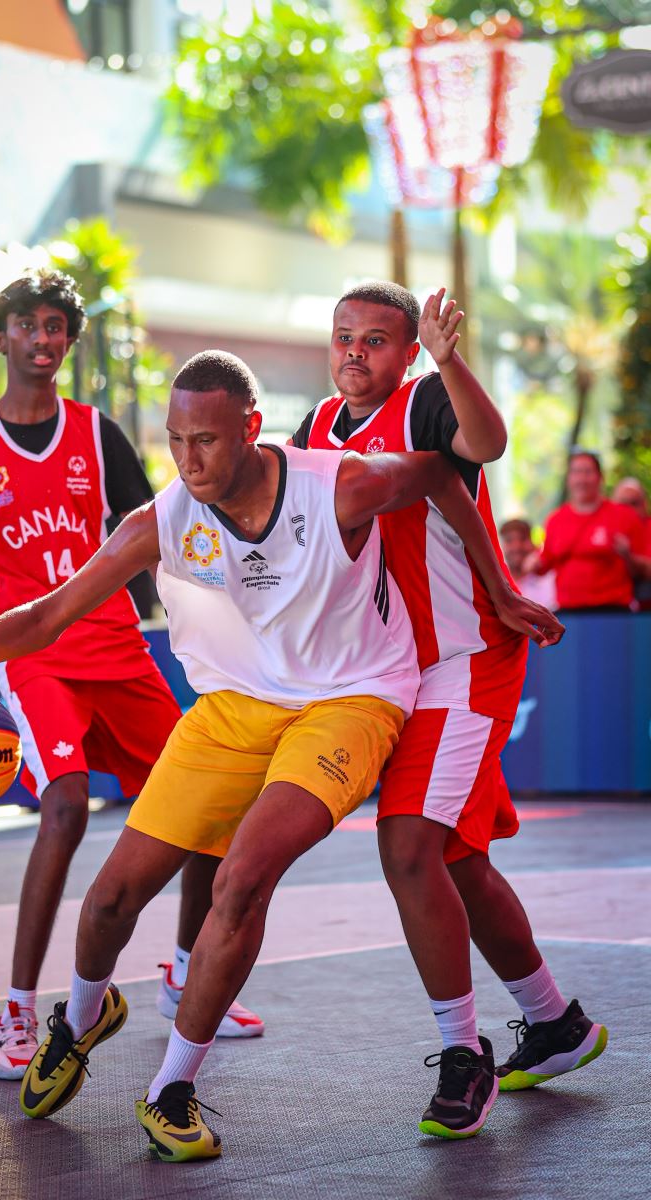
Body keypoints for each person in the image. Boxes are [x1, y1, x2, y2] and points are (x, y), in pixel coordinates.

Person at [0, 350, 562, 1160]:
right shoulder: (166, 517)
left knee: (243, 878)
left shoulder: (337, 484)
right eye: (175, 441)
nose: (188, 460)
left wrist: (498, 586)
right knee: (109, 902)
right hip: (234, 709)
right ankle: (82, 1016)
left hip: (351, 702)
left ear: (251, 428)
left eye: (204, 439)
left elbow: (444, 475)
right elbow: (46, 616)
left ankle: (171, 1087)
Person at [0, 275, 263, 1086]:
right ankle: (20, 1008)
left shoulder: (100, 437)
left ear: (68, 340)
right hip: (34, 655)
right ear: (0, 337)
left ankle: (178, 970)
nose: (41, 338)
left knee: (211, 806)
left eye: (55, 326)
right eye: (26, 324)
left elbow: (172, 526)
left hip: (119, 648)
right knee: (63, 807)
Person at [291, 283, 606, 1138]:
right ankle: (554, 1023)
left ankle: (463, 1057)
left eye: (378, 341)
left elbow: (490, 444)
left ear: (404, 351)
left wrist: (446, 356)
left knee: (407, 848)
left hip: (466, 660)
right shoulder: (315, 430)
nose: (358, 353)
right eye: (344, 337)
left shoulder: (426, 399)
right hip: (396, 673)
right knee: (457, 859)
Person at [535, 450, 646, 612]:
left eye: (587, 472)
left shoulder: (624, 516)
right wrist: (533, 563)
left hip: (613, 611)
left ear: (600, 477)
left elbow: (645, 569)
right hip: (568, 613)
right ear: (569, 479)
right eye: (576, 472)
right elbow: (544, 564)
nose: (582, 479)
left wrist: (627, 556)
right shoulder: (555, 519)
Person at [498, 518, 557, 609]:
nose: (516, 547)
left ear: (534, 542)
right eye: (509, 540)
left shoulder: (549, 579)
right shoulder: (496, 582)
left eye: (522, 539)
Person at [611, 476, 651, 610]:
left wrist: (628, 557)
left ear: (645, 504)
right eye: (623, 504)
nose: (628, 510)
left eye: (634, 503)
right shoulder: (607, 529)